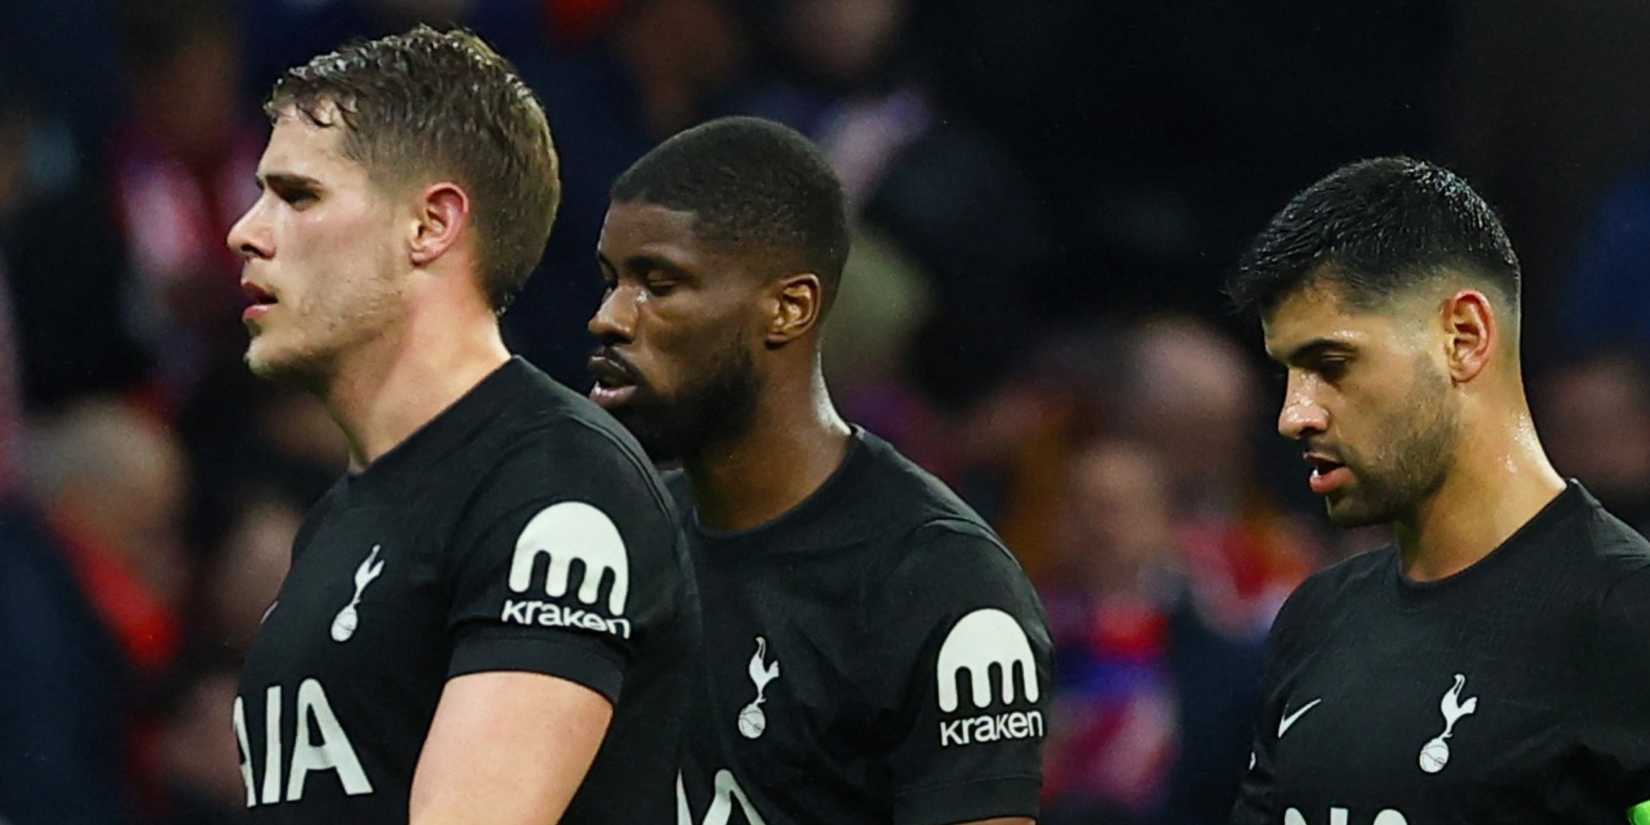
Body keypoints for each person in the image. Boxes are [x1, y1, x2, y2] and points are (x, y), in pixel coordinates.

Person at [225, 26, 697, 824]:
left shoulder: (554, 486)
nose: (246, 230)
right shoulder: (340, 520)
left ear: (431, 224)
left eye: (298, 195)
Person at [586, 115, 1051, 825]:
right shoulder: (621, 546)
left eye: (660, 282)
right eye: (612, 279)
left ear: (788, 307)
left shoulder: (936, 581)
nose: (610, 317)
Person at [1225, 157, 1650, 824]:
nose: (1293, 414)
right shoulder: (1316, 619)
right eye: (1286, 374)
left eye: (1330, 365)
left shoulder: (1625, 621)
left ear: (1463, 337)